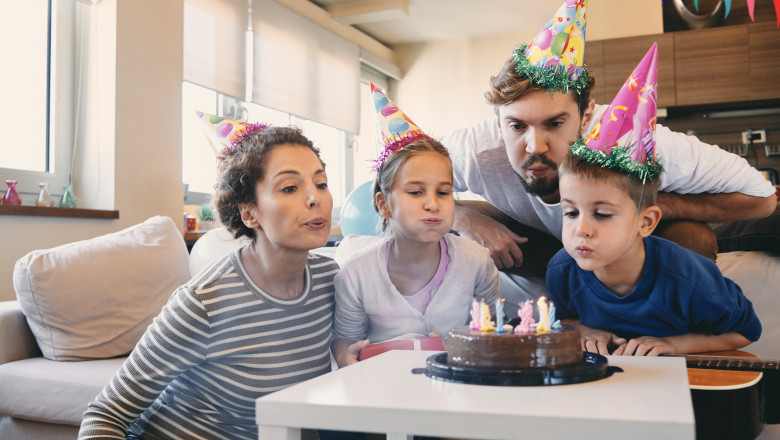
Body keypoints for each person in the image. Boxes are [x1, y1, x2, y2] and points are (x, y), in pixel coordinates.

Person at [444, 0, 776, 281]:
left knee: (691, 239)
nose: (535, 146)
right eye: (517, 126)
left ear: (586, 116)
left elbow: (762, 199)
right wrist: (464, 218)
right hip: (546, 239)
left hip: (641, 238)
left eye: (554, 123)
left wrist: (659, 205)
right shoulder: (476, 148)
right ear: (498, 123)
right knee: (436, 218)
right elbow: (393, 174)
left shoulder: (628, 137)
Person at [78, 114, 339, 439]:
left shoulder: (332, 281)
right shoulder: (206, 300)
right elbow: (105, 415)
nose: (315, 198)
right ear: (249, 213)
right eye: (290, 187)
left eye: (322, 183)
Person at [546, 45, 761, 356]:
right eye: (570, 212)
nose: (582, 229)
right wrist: (583, 328)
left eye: (602, 214)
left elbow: (745, 331)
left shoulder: (688, 275)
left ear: (645, 222)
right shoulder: (562, 269)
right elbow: (559, 319)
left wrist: (674, 345)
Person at [331, 84, 501, 368]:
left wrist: (463, 346)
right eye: (416, 192)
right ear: (384, 204)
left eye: (443, 192)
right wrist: (344, 355)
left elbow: (497, 330)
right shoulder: (356, 274)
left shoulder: (477, 262)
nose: (433, 203)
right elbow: (346, 338)